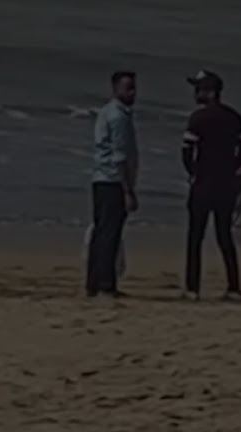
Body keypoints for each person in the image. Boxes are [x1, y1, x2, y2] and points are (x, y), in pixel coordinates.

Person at [181, 70, 241, 301]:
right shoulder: (234, 117)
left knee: (195, 237)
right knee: (224, 237)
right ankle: (234, 288)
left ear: (209, 92)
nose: (195, 93)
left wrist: (193, 172)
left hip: (203, 183)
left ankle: (192, 289)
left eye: (198, 89)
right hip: (226, 183)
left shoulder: (198, 118)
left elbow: (186, 151)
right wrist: (232, 167)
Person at [86, 70, 139, 298]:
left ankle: (94, 281)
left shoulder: (107, 112)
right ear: (116, 89)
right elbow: (120, 156)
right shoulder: (118, 116)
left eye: (134, 88)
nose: (133, 93)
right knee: (110, 233)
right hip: (112, 181)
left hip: (100, 178)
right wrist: (128, 191)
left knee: (101, 232)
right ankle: (106, 283)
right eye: (128, 88)